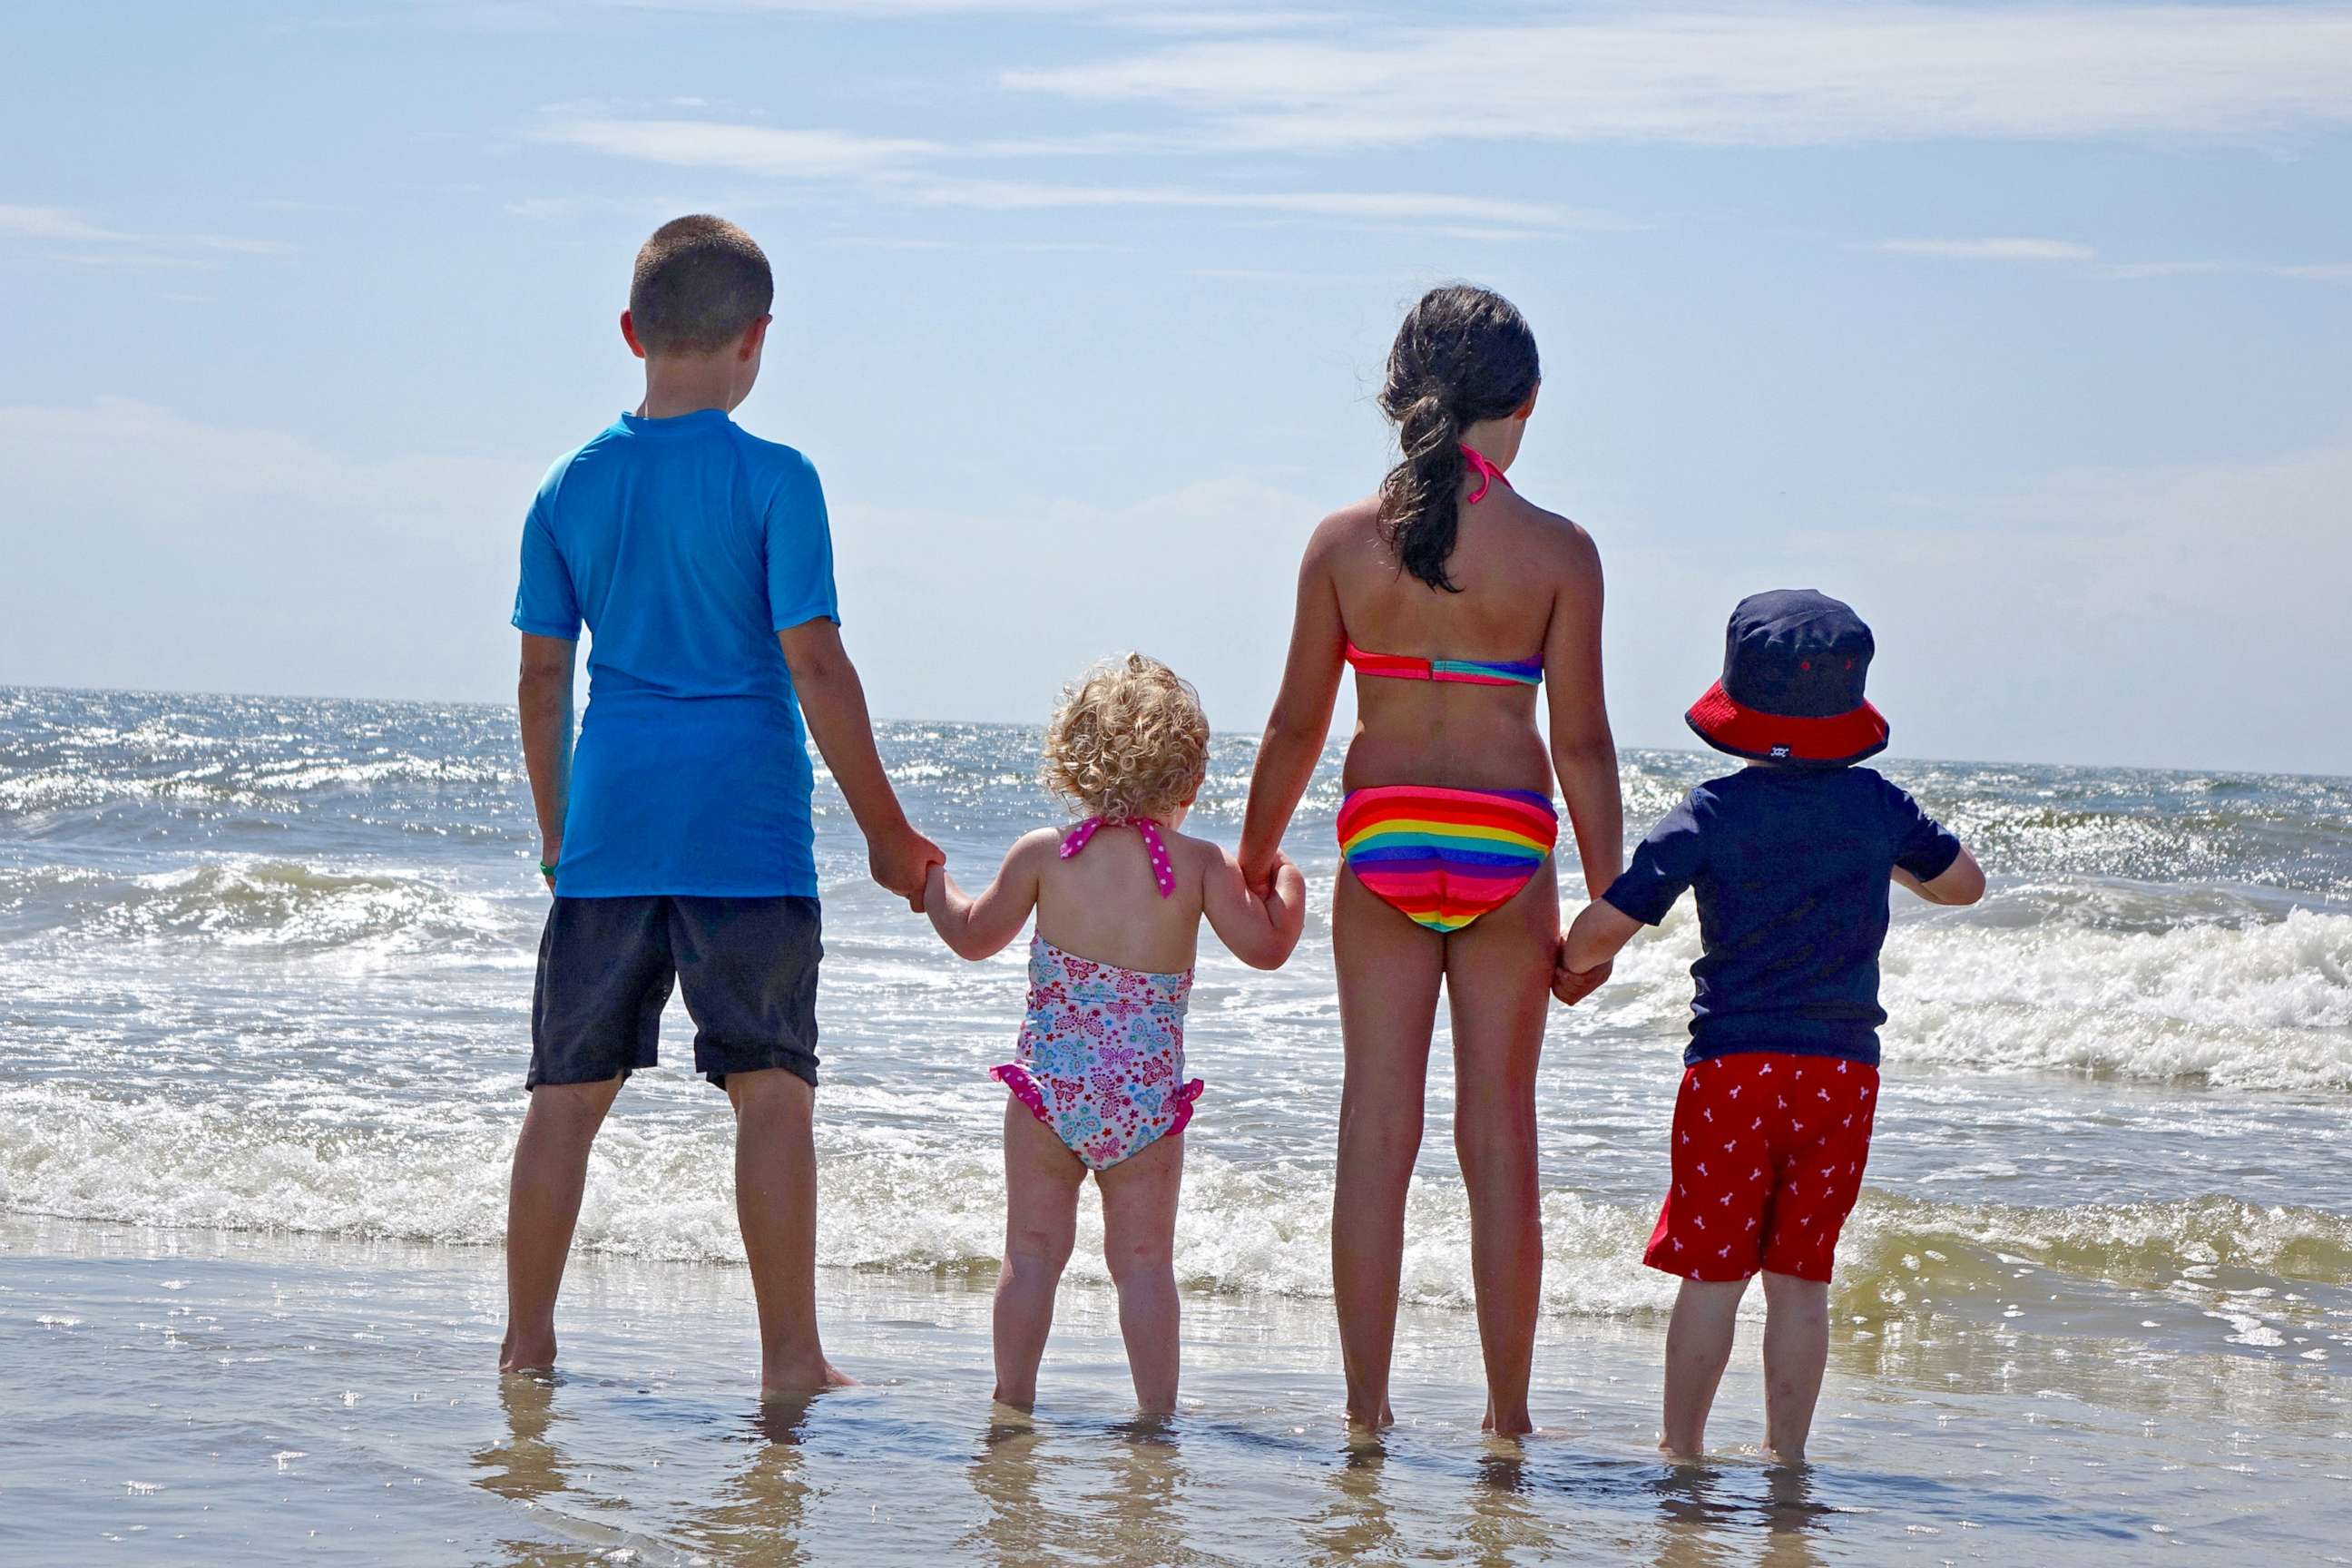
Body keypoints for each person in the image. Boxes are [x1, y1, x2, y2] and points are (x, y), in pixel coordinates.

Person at [500, 214, 943, 1400]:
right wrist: (889, 833)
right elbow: (818, 667)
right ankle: (790, 1357)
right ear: (758, 342)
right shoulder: (777, 480)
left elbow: (544, 678)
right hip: (744, 837)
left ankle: (527, 1347)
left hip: (611, 834)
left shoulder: (567, 488)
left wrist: (559, 832)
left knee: (565, 1098)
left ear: (634, 332)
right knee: (771, 1092)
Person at [1237, 286, 1624, 1436]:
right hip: (1506, 847)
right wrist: (1609, 902)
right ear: (1530, 404)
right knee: (1499, 1138)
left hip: (1386, 847)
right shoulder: (1559, 551)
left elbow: (1296, 725)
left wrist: (1257, 856)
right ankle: (1508, 1421)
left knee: (1377, 1132)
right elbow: (1585, 742)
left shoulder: (1345, 544)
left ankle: (1367, 1413)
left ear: (1405, 396)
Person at [1556, 589, 1984, 1465]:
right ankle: (1785, 1458)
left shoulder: (1714, 810)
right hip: (1842, 1072)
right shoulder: (1877, 808)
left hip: (1732, 1068)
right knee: (1801, 1278)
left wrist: (1567, 964)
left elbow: (1610, 922)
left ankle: (1683, 1450)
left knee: (1713, 1271)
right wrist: (1886, 864)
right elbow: (1963, 885)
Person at [923, 654, 1308, 1416]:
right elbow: (1267, 948)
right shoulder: (1200, 866)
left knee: (1031, 1257)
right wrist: (1287, 884)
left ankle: (1014, 1402)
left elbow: (972, 937)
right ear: (1190, 784)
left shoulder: (1043, 854)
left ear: (1073, 765)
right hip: (1144, 1103)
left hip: (1050, 1094)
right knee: (1143, 1267)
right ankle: (1156, 1418)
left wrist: (934, 881)